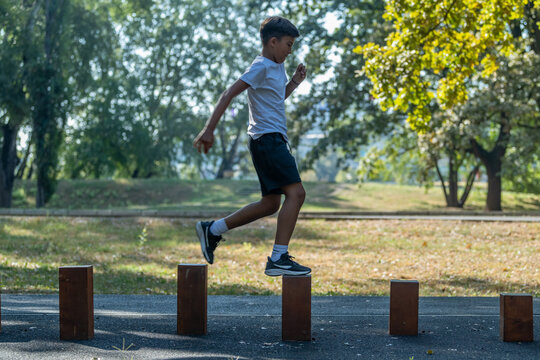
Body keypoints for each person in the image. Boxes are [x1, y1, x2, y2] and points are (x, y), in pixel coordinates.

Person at [193, 16, 310, 277]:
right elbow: (228, 93)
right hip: (267, 140)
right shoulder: (260, 66)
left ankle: (212, 230)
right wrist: (209, 129)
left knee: (270, 204)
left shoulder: (277, 66)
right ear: (272, 41)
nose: (290, 51)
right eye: (288, 45)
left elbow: (276, 99)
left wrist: (293, 83)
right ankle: (279, 257)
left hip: (271, 140)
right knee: (297, 194)